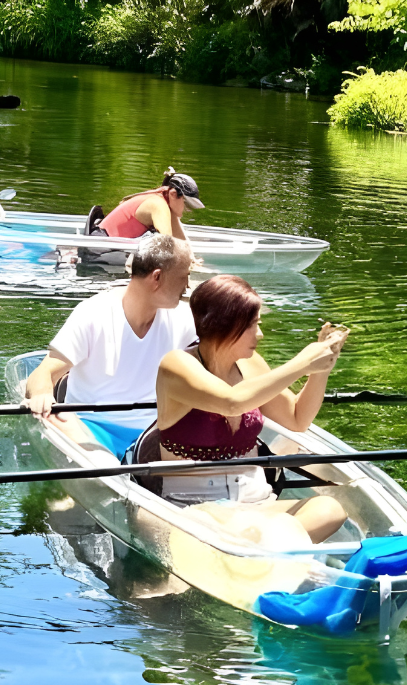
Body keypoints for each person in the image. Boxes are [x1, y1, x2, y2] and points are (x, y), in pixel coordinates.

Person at [149, 274, 350, 540]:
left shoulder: (252, 363)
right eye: (252, 325)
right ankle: (269, 552)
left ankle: (260, 552)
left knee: (330, 510)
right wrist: (302, 362)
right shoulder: (177, 364)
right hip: (194, 510)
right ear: (225, 324)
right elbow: (231, 403)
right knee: (241, 535)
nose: (260, 334)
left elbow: (297, 419)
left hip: (257, 507)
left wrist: (322, 367)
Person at [23, 233, 196, 457]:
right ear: (157, 278)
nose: (188, 285)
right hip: (91, 428)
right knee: (91, 451)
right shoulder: (93, 313)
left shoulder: (185, 317)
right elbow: (43, 374)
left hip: (154, 432)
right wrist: (42, 396)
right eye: (185, 276)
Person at [96, 169, 204, 239]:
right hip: (99, 248)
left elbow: (181, 241)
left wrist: (192, 260)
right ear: (173, 194)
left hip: (104, 244)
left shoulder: (166, 201)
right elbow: (168, 244)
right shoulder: (158, 205)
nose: (188, 210)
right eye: (187, 204)